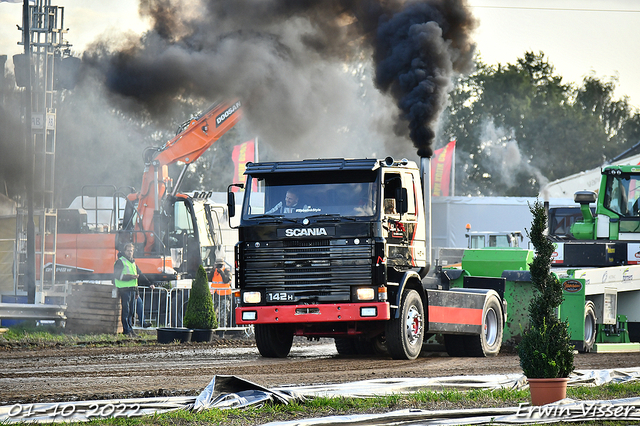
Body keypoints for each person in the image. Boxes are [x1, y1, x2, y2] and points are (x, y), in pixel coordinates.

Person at [113, 243, 153, 336]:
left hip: (132, 289)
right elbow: (117, 275)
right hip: (124, 289)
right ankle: (126, 331)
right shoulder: (120, 261)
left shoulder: (133, 262)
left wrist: (149, 283)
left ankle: (130, 330)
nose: (130, 252)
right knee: (126, 311)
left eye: (131, 250)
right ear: (124, 251)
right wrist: (131, 277)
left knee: (131, 311)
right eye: (128, 250)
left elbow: (140, 275)